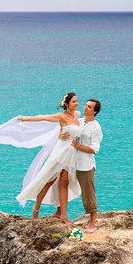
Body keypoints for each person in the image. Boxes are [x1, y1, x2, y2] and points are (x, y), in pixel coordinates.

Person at [16, 93, 84, 226]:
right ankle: (35, 210)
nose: (76, 103)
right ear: (67, 104)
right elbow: (43, 118)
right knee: (47, 181)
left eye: (77, 101)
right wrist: (24, 119)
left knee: (64, 183)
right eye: (74, 101)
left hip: (72, 154)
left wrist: (60, 133)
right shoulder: (61, 116)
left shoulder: (76, 115)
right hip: (61, 152)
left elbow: (64, 130)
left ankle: (63, 215)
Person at [58, 98, 102, 233]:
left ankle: (92, 223)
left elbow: (94, 149)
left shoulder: (96, 127)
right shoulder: (79, 121)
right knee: (62, 184)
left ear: (94, 111)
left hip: (85, 165)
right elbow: (66, 130)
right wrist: (61, 135)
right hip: (71, 161)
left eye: (89, 107)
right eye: (86, 105)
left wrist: (78, 146)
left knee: (88, 193)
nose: (85, 108)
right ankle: (60, 212)